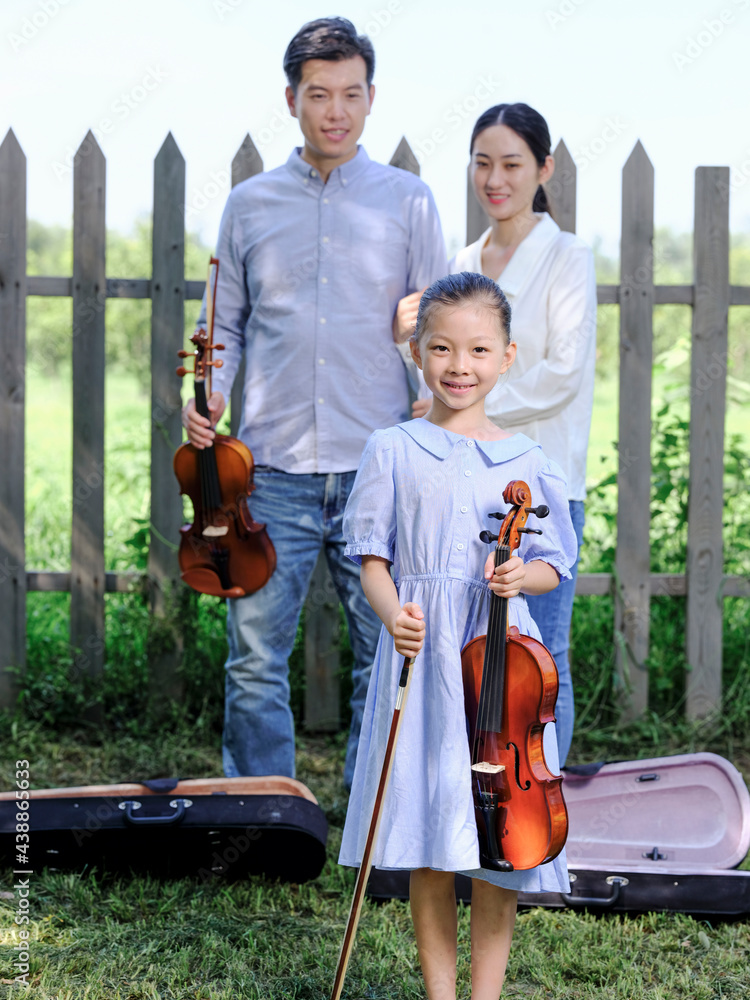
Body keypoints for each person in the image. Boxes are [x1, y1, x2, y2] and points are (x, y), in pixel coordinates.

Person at [182, 17, 446, 788]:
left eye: (352, 95)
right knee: (256, 655)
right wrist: (208, 397)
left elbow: (437, 325)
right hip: (271, 474)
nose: (337, 110)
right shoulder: (250, 205)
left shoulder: (410, 202)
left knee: (384, 651)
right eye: (320, 94)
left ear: (371, 100)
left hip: (379, 468)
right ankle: (260, 817)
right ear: (292, 99)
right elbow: (221, 323)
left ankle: (375, 819)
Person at [340, 272, 577, 1000]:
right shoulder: (393, 447)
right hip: (424, 654)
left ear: (507, 356)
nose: (458, 365)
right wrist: (391, 612)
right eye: (441, 348)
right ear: (417, 351)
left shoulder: (527, 463)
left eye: (478, 349)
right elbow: (371, 557)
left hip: (500, 668)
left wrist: (518, 579)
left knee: (502, 844)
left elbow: (553, 563)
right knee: (429, 833)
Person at [399, 103, 597, 766]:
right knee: (474, 648)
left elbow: (560, 376)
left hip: (540, 488)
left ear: (542, 169)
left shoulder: (568, 258)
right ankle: (478, 808)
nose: (495, 178)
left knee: (541, 652)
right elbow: (446, 366)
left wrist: (464, 399)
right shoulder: (464, 259)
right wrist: (413, 347)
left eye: (512, 163)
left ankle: (543, 823)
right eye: (482, 162)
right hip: (466, 487)